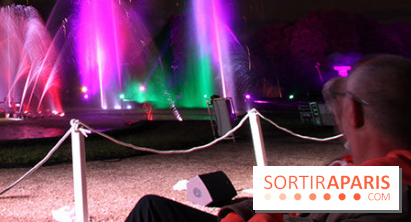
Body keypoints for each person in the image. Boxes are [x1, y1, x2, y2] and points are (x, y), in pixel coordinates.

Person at [124, 54, 411, 222]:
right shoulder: (356, 170)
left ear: (355, 113)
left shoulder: (385, 197)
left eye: (343, 101)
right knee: (152, 208)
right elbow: (273, 196)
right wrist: (237, 213)